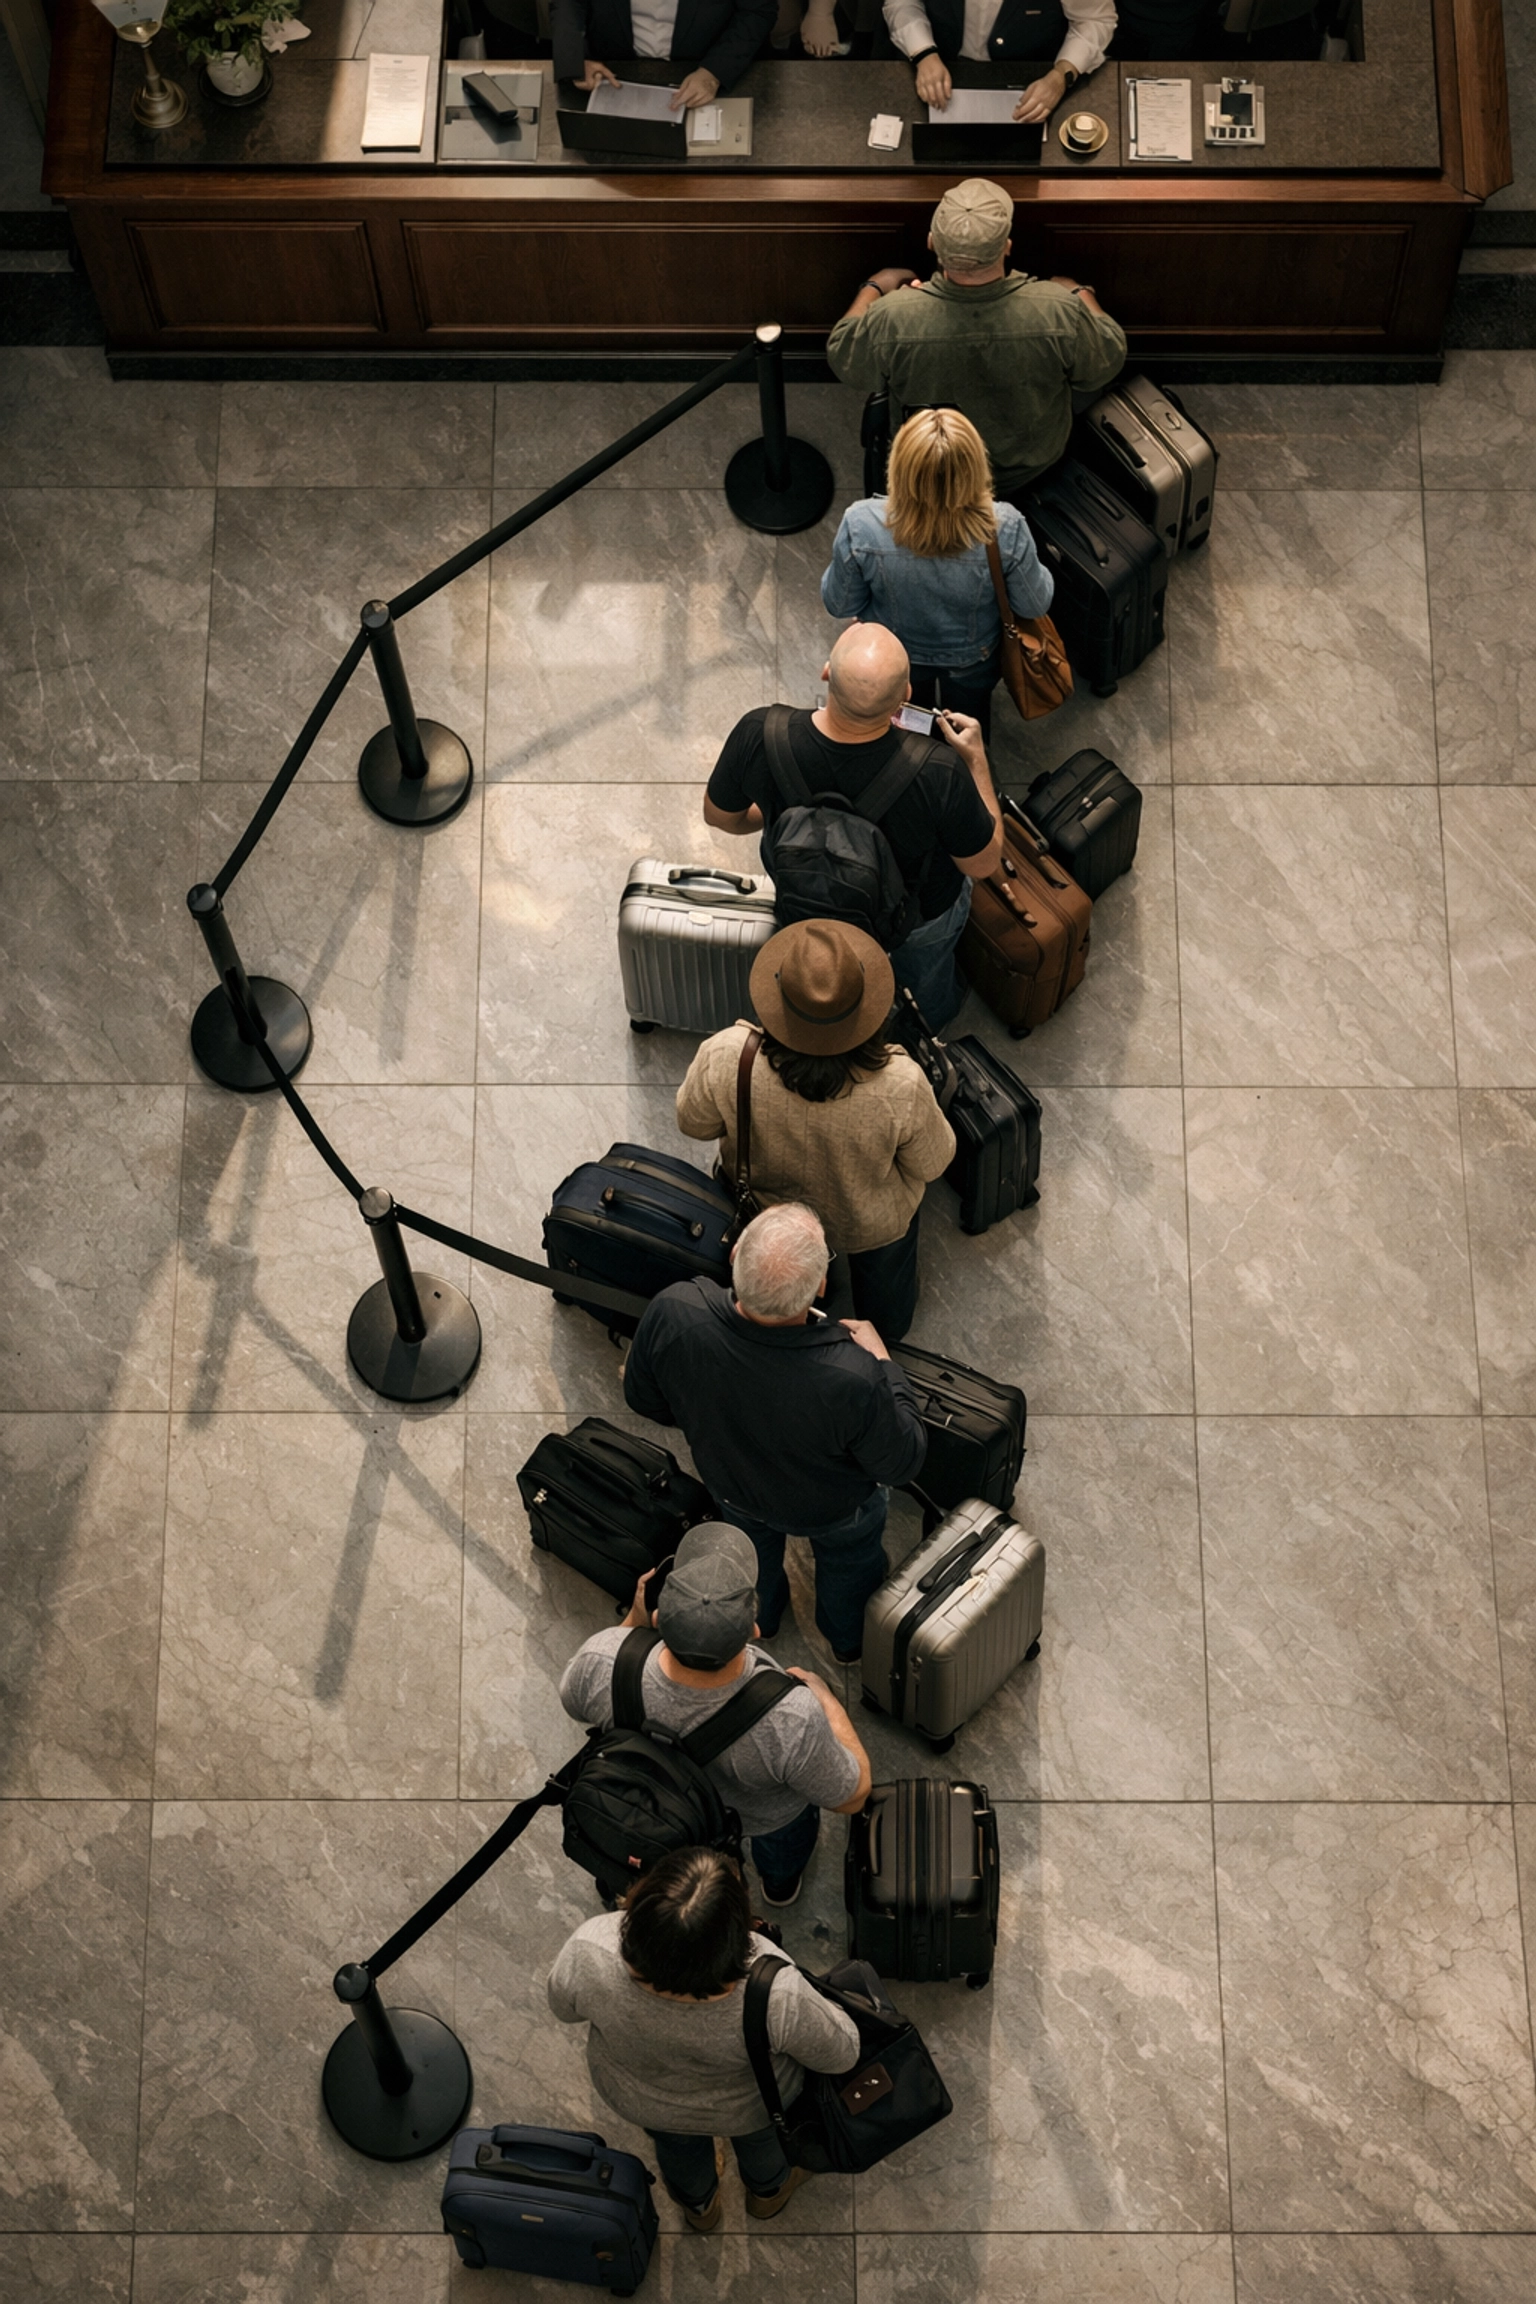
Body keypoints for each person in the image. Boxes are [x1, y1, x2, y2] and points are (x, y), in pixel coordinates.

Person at [623, 1202, 928, 1661]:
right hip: (834, 1508)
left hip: (734, 1488)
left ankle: (760, 1622)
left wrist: (708, 1417)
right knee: (849, 1563)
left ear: (735, 1255)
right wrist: (885, 1364)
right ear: (820, 1286)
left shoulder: (675, 1309)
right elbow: (903, 1461)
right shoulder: (853, 1376)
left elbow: (641, 1397)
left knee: (752, 1558)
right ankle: (846, 1640)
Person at [705, 620, 1002, 1031]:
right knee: (924, 976)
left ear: (826, 673)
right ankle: (924, 1026)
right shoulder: (939, 771)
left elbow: (721, 817)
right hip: (916, 915)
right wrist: (976, 760)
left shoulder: (760, 733)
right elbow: (983, 864)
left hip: (808, 895)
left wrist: (775, 813)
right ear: (906, 696)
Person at [560, 1519, 873, 1905]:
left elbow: (573, 1703)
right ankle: (778, 1885)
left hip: (646, 1810)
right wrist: (827, 1702)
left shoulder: (602, 1659)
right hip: (756, 1820)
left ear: (658, 1617)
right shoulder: (790, 1717)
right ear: (753, 1630)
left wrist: (630, 1627)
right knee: (785, 1836)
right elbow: (852, 1796)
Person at [548, 1845, 860, 2228]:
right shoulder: (776, 1993)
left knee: (676, 2148)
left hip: (645, 2101)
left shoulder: (590, 1950)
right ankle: (767, 2195)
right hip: (754, 2108)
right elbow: (842, 2054)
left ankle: (700, 2210)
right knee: (764, 2147)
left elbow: (563, 2009)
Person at [676, 918, 954, 1342]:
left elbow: (693, 1123)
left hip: (762, 1210)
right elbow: (933, 1163)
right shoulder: (901, 1083)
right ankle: (888, 1330)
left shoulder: (730, 1055)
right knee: (887, 1279)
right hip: (868, 1224)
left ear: (777, 1000)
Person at [826, 178, 1127, 500]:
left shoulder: (893, 315)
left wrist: (874, 286)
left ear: (931, 242)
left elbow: (848, 362)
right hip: (1030, 466)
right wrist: (1077, 292)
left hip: (931, 465)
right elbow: (1102, 366)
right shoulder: (1058, 308)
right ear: (1007, 246)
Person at [821, 406, 1054, 742]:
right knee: (967, 726)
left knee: (909, 725)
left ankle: (920, 753)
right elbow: (1034, 604)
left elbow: (840, 604)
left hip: (896, 657)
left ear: (899, 466)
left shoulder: (861, 523)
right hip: (973, 658)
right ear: (976, 467)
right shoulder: (1005, 527)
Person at [884, 0, 1116, 123]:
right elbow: (901, 3)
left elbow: (1094, 20)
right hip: (938, 65)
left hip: (1031, 79)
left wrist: (1061, 75)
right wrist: (923, 53)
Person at [551, 0, 774, 109]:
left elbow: (757, 11)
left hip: (703, 66)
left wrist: (714, 72)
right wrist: (575, 60)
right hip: (613, 70)